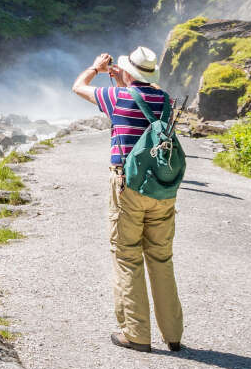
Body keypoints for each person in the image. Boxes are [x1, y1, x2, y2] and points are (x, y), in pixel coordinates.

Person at [71, 45, 184, 353]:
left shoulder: (117, 98)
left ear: (128, 73)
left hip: (128, 187)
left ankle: (135, 333)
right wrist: (128, 78)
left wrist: (97, 67)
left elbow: (78, 87)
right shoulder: (164, 100)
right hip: (162, 189)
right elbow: (146, 97)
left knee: (127, 255)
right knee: (161, 258)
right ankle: (173, 334)